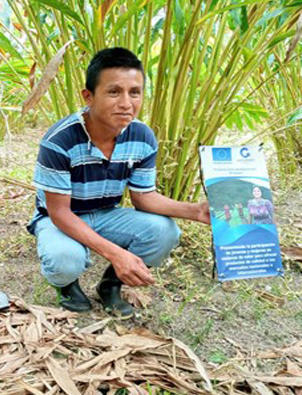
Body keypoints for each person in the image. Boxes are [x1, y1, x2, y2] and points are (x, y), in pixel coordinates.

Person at [27, 47, 210, 317]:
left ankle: (110, 284)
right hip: (59, 217)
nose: (126, 103)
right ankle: (66, 285)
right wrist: (116, 253)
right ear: (88, 97)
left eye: (134, 92)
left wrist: (196, 211)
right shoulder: (59, 140)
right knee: (65, 260)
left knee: (165, 232)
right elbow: (59, 212)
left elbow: (143, 197)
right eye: (114, 92)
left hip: (105, 213)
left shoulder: (142, 136)